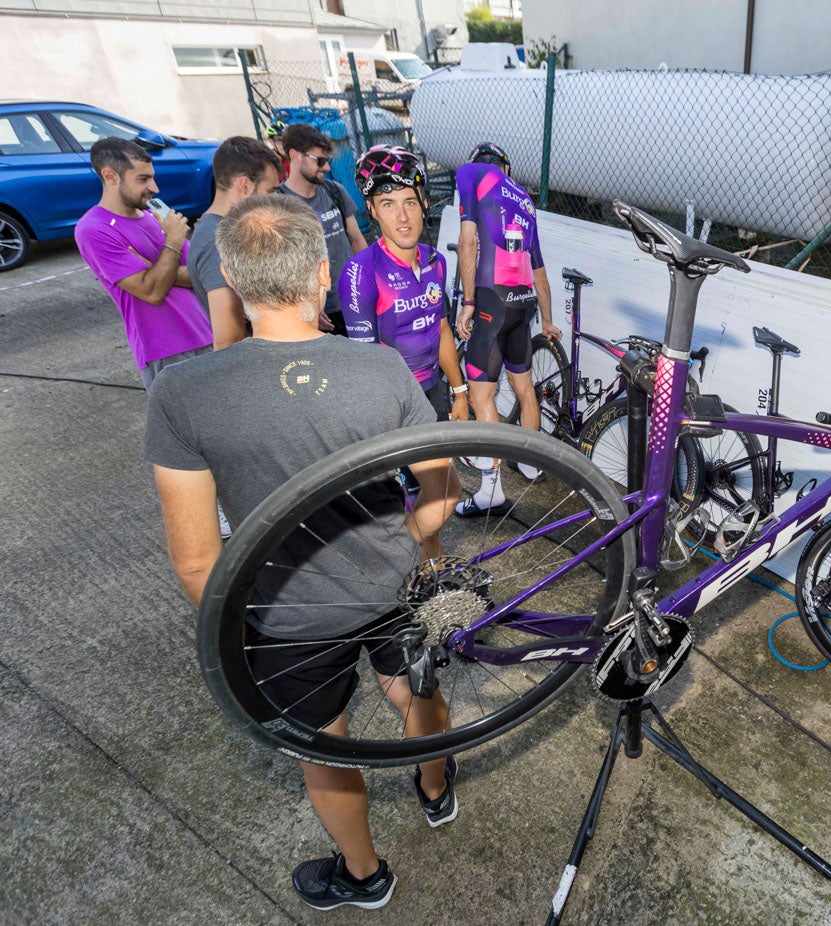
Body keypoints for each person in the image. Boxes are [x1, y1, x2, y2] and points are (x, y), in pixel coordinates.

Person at [143, 194, 462, 910]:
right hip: (393, 584)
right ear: (323, 274)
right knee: (416, 688)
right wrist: (396, 546)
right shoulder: (383, 369)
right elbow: (441, 497)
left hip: (284, 615)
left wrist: (243, 638)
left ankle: (363, 876)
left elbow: (197, 563)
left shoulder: (182, 394)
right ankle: (436, 791)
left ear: (229, 273)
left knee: (327, 746)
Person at [452, 142, 562, 518]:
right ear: (507, 167)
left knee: (483, 396)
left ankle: (491, 493)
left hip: (491, 302)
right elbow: (540, 272)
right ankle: (531, 465)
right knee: (524, 388)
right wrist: (547, 321)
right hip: (523, 303)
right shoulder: (525, 198)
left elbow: (468, 240)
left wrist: (468, 302)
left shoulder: (471, 174)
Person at [339, 145, 468, 422]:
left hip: (435, 390)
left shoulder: (436, 260)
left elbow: (441, 328)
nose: (402, 217)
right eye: (388, 205)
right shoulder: (361, 272)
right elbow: (367, 362)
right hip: (392, 401)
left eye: (410, 202)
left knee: (446, 466)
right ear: (372, 210)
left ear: (423, 206)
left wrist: (460, 391)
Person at [74, 137, 212, 388]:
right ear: (110, 176)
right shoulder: (94, 230)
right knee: (186, 426)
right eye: (143, 179)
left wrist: (152, 269)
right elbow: (152, 291)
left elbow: (200, 274)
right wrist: (172, 242)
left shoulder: (154, 215)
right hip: (165, 349)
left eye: (152, 177)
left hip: (206, 332)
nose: (155, 188)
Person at [187, 136, 284, 348]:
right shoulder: (217, 242)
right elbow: (228, 339)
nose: (276, 200)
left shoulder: (228, 231)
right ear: (245, 186)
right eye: (271, 191)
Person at [277, 122, 368, 336]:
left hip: (353, 302)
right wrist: (305, 307)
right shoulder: (278, 205)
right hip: (315, 315)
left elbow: (356, 239)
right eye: (320, 161)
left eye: (328, 161)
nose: (326, 167)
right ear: (295, 155)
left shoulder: (335, 191)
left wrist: (372, 283)